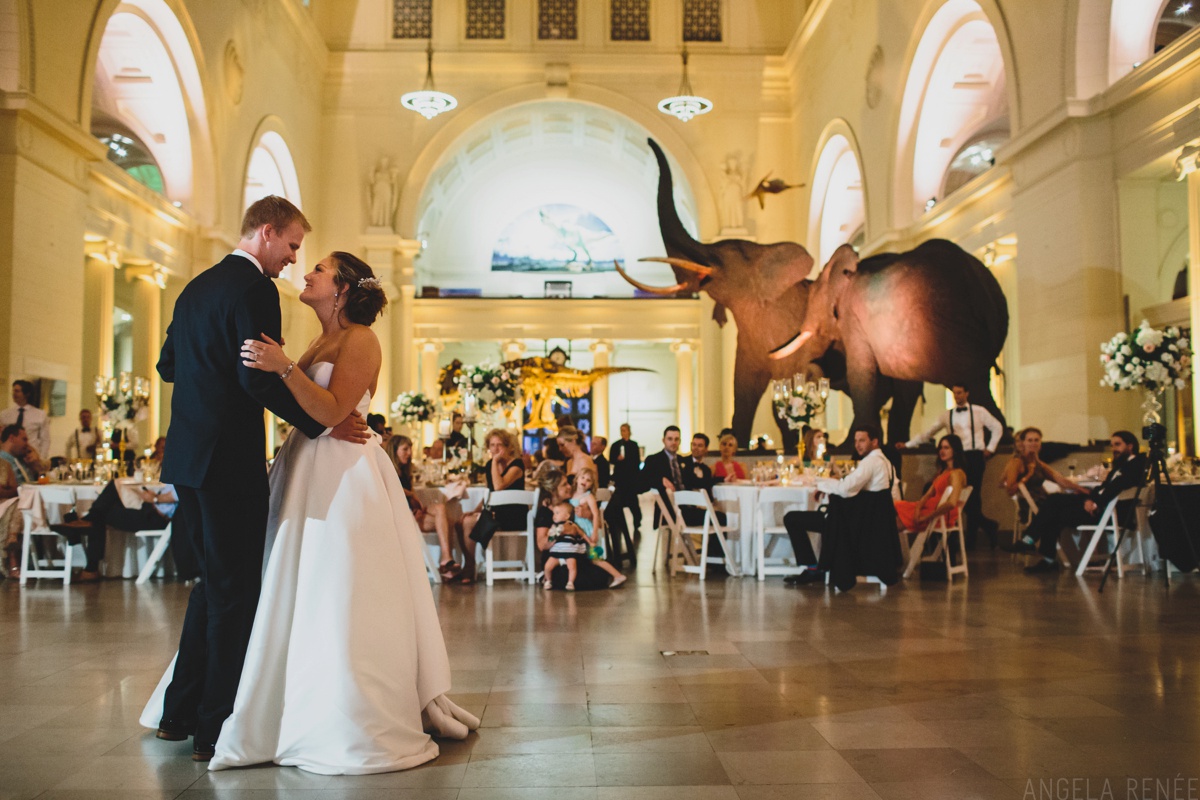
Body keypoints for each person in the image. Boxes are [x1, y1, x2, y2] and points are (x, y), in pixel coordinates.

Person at [143, 248, 478, 772]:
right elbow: (308, 411)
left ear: (342, 288)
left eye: (318, 268)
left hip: (344, 476)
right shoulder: (320, 339)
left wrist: (285, 370)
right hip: (303, 464)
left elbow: (330, 410)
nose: (306, 270)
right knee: (279, 582)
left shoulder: (362, 340)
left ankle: (338, 705)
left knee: (333, 583)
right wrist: (290, 381)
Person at [144, 197, 372, 764]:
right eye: (292, 245)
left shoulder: (196, 286)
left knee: (212, 587)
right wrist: (321, 423)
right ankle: (215, 726)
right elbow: (254, 377)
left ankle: (178, 712)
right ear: (266, 233)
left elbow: (168, 366)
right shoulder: (254, 289)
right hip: (227, 462)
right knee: (237, 592)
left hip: (189, 461)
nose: (294, 259)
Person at [1001, 431, 1146, 574]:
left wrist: (1093, 501)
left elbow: (1116, 487)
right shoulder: (1122, 464)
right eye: (1112, 445)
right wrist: (1090, 497)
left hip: (1111, 512)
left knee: (1052, 511)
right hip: (1102, 506)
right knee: (1054, 501)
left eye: (1117, 445)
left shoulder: (1136, 464)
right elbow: (1105, 487)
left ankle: (1039, 551)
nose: (1114, 449)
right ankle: (1034, 546)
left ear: (1130, 446)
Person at [782, 424, 902, 590]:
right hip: (869, 522)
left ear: (875, 442)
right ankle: (815, 566)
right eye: (856, 441)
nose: (857, 445)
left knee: (792, 518)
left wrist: (821, 483)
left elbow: (846, 489)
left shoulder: (871, 462)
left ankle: (811, 567)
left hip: (853, 525)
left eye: (862, 440)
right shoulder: (886, 462)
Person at [899, 384, 1003, 549]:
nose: (957, 396)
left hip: (974, 457)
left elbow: (997, 427)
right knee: (952, 497)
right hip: (955, 457)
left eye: (960, 393)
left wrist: (990, 449)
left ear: (967, 393)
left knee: (972, 499)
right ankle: (985, 527)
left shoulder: (979, 411)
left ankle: (970, 540)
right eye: (954, 393)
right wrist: (909, 444)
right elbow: (929, 432)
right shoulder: (947, 415)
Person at [51, 478, 178, 582]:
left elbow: (177, 495)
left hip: (157, 518)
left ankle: (91, 566)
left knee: (100, 515)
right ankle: (90, 567)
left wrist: (155, 499)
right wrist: (153, 496)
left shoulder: (187, 473)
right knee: (111, 494)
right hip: (151, 510)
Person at [388, 435, 461, 582]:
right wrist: (411, 495)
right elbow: (391, 489)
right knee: (448, 521)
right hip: (402, 517)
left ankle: (446, 559)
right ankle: (446, 564)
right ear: (394, 451)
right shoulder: (389, 470)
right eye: (405, 449)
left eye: (410, 449)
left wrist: (416, 502)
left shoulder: (405, 471)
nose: (409, 453)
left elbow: (412, 496)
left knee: (442, 510)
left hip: (413, 512)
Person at [534, 463, 615, 590]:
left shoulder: (571, 503)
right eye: (564, 485)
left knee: (600, 575)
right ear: (553, 490)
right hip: (556, 556)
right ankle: (547, 576)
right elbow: (541, 545)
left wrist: (587, 515)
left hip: (576, 553)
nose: (569, 486)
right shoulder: (545, 511)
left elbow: (598, 524)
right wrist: (558, 532)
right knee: (573, 578)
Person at [461, 428, 526, 585]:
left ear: (509, 447)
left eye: (500, 445)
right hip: (495, 512)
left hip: (512, 515)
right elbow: (490, 493)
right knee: (461, 521)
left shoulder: (517, 465)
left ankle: (469, 568)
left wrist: (496, 462)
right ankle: (469, 562)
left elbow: (498, 486)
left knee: (469, 523)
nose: (496, 449)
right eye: (492, 445)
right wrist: (475, 510)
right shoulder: (490, 464)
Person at [895, 435, 967, 531]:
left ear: (955, 450)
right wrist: (917, 509)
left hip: (939, 515)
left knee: (893, 522)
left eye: (946, 448)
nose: (942, 451)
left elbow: (951, 503)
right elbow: (928, 494)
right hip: (929, 509)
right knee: (893, 508)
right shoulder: (943, 472)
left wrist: (927, 517)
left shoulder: (957, 474)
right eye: (940, 447)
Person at [1001, 427, 1085, 505]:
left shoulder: (1037, 462)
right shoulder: (1017, 462)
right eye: (1030, 440)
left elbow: (1059, 480)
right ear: (1023, 443)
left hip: (1044, 501)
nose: (1034, 443)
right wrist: (1028, 475)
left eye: (1036, 440)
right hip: (1034, 505)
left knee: (1079, 499)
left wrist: (1082, 489)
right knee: (1063, 500)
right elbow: (1010, 491)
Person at [1, 425, 38, 577]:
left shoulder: (16, 461)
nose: (27, 444)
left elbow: (18, 487)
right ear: (11, 438)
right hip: (10, 502)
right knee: (20, 504)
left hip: (18, 499)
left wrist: (34, 456)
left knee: (22, 503)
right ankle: (13, 559)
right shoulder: (4, 460)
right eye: (24, 439)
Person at [541, 501, 590, 591]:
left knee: (572, 567)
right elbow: (550, 538)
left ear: (567, 516)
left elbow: (582, 533)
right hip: (557, 552)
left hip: (569, 551)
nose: (554, 515)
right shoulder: (553, 526)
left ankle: (570, 582)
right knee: (547, 566)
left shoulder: (572, 524)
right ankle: (548, 580)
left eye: (557, 513)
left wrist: (590, 541)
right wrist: (552, 534)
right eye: (553, 513)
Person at [641, 425, 685, 525]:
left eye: (676, 439)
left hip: (685, 506)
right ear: (663, 440)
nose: (673, 442)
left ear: (680, 441)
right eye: (670, 439)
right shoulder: (654, 460)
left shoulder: (683, 460)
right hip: (666, 510)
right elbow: (641, 482)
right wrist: (660, 480)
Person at [608, 423, 642, 535]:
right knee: (619, 502)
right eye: (621, 430)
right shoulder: (616, 445)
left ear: (629, 431)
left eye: (625, 430)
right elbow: (612, 460)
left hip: (630, 479)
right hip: (620, 479)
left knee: (633, 503)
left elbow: (636, 462)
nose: (623, 432)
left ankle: (637, 521)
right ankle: (619, 523)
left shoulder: (633, 445)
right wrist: (617, 459)